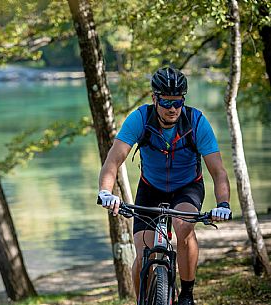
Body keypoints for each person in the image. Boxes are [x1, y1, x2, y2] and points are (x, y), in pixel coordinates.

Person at [97, 67, 231, 305]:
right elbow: (113, 161)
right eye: (166, 102)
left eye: (178, 102)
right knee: (143, 254)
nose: (172, 109)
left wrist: (223, 204)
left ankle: (187, 294)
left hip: (187, 187)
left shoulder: (196, 122)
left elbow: (218, 171)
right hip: (151, 189)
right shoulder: (139, 119)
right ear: (154, 99)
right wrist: (106, 193)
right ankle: (141, 300)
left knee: (183, 227)